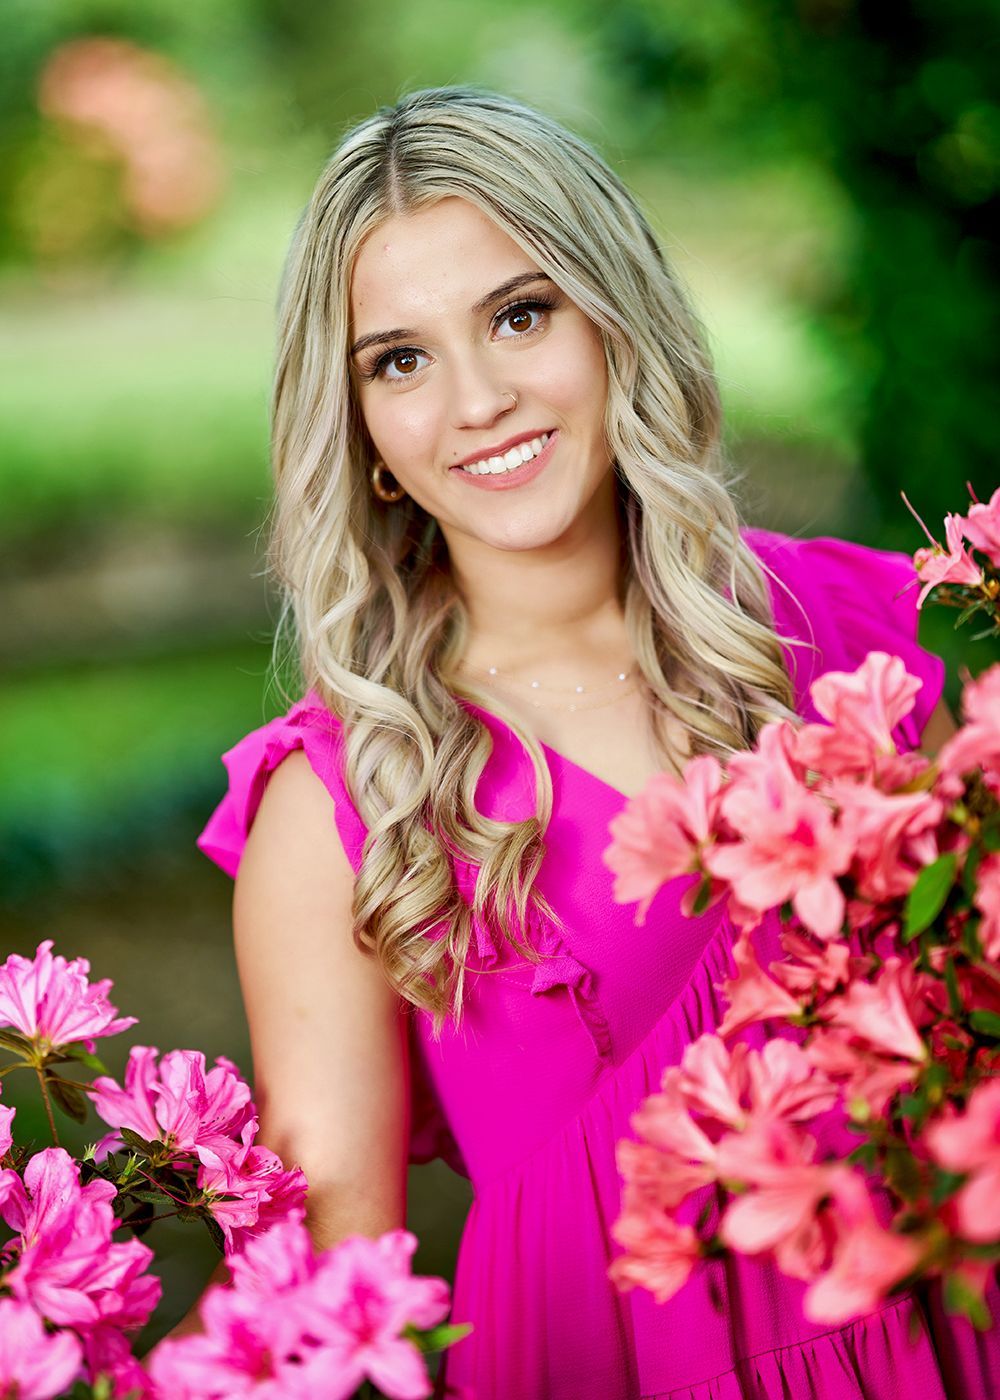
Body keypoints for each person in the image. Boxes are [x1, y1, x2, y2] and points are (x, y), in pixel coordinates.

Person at [195, 86, 997, 1399]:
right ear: (366, 438)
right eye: (400, 360)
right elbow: (329, 1303)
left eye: (521, 315)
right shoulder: (344, 803)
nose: (480, 402)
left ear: (615, 316)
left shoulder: (865, 623)